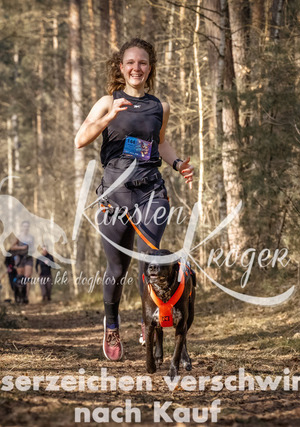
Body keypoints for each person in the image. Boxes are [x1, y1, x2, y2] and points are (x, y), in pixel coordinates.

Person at [74, 38, 194, 361]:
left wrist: (178, 164)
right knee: (117, 268)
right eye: (130, 62)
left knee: (149, 262)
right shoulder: (107, 101)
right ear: (121, 67)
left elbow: (160, 143)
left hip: (150, 193)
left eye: (142, 63)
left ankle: (147, 319)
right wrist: (108, 117)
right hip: (114, 196)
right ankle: (111, 325)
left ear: (149, 68)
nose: (136, 68)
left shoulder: (160, 107)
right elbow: (80, 139)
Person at [9, 220, 35, 304]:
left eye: (27, 226)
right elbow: (12, 247)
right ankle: (20, 296)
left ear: (29, 227)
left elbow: (33, 248)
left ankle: (26, 296)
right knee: (20, 277)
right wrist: (22, 248)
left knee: (27, 276)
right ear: (22, 227)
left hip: (28, 258)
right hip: (19, 259)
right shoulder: (18, 236)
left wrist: (31, 249)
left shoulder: (31, 237)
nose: (26, 228)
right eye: (24, 226)